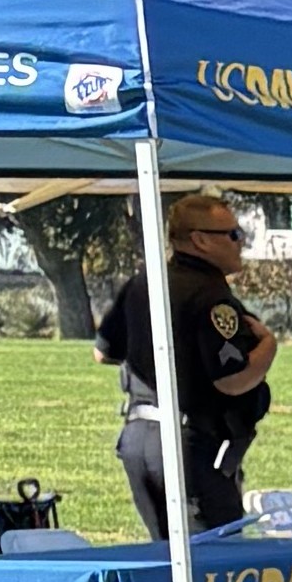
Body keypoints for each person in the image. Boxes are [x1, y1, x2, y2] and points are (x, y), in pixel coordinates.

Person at [94, 192, 275, 538]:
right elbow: (232, 380)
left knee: (168, 557)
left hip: (138, 439)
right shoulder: (211, 297)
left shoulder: (142, 283)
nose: (241, 244)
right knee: (215, 565)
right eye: (234, 235)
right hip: (186, 446)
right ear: (201, 240)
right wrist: (268, 346)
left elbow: (103, 352)